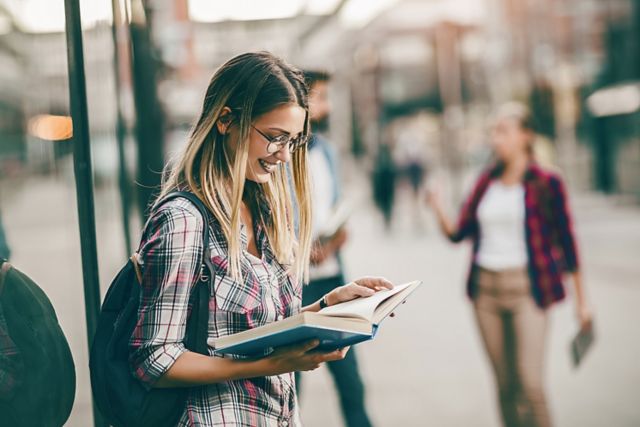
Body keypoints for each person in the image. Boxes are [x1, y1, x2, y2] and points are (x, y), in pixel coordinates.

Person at [129, 52, 393, 426]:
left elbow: (256, 328)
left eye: (293, 141)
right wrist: (270, 365)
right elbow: (153, 358)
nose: (284, 156)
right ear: (226, 121)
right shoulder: (182, 220)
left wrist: (328, 307)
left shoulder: (264, 209)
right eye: (274, 138)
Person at [427, 102, 592, 427]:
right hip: (485, 292)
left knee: (530, 385)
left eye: (503, 131)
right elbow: (458, 233)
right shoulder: (486, 180)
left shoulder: (547, 181)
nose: (495, 139)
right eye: (493, 132)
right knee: (505, 387)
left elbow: (568, 244)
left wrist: (582, 304)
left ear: (525, 136)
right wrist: (437, 206)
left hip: (529, 290)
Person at [295, 70, 373, 427]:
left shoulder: (326, 151)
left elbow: (336, 208)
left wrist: (339, 238)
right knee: (289, 387)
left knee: (351, 382)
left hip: (332, 278)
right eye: (321, 96)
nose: (326, 105)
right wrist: (299, 249)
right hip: (295, 285)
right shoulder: (280, 157)